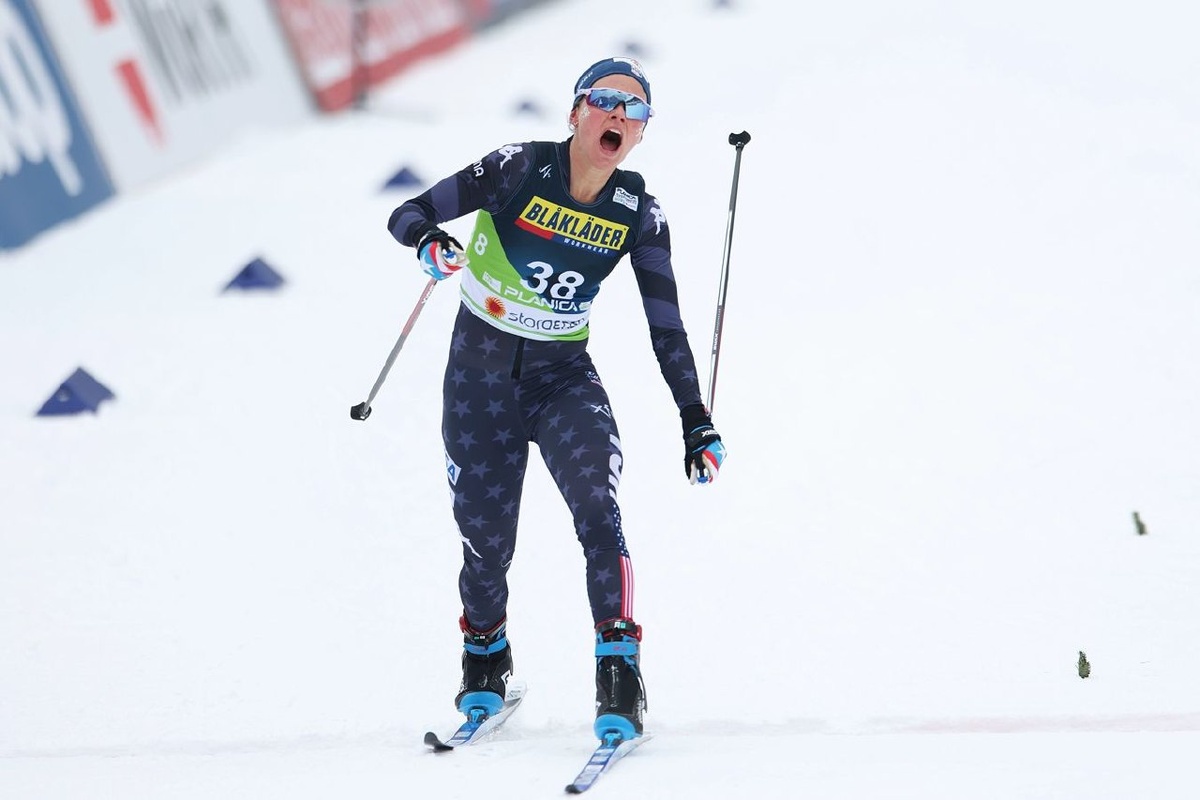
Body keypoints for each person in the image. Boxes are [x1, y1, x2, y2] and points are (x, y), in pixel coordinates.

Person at [386, 57, 726, 741]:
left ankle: (619, 676)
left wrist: (695, 419)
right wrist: (428, 241)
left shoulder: (640, 214)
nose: (618, 115)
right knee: (487, 545)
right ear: (575, 114)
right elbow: (409, 211)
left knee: (599, 511)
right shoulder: (517, 168)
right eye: (604, 100)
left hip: (562, 380)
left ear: (640, 134)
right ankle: (486, 662)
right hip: (478, 381)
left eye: (634, 109)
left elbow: (666, 327)